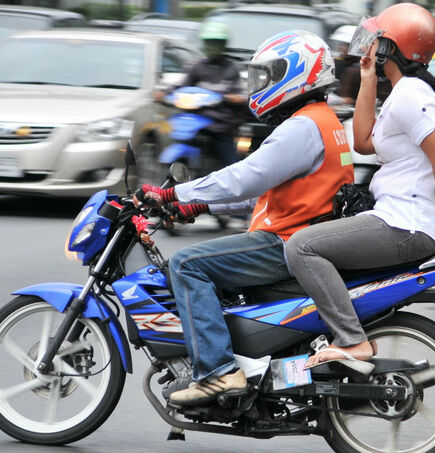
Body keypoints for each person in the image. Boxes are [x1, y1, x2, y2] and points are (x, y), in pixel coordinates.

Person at [136, 30, 354, 405]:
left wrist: (175, 194)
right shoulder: (322, 119)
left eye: (268, 74)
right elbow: (267, 193)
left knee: (187, 264)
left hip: (285, 243)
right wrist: (200, 206)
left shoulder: (302, 126)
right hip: (299, 234)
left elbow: (244, 178)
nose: (259, 84)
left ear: (298, 74)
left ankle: (219, 372)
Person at [284, 3, 435, 369]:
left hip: (406, 223)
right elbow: (365, 142)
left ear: (391, 48)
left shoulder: (412, 93)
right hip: (397, 217)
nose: (369, 46)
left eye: (377, 41)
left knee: (301, 248)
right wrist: (368, 78)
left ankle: (352, 340)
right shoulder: (401, 93)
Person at [164, 21, 247, 168]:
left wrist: (230, 98)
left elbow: (241, 93)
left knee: (231, 165)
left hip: (220, 125)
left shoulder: (232, 68)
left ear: (224, 45)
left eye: (216, 43)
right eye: (209, 43)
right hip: (195, 121)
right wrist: (165, 94)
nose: (212, 47)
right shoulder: (197, 66)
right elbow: (182, 85)